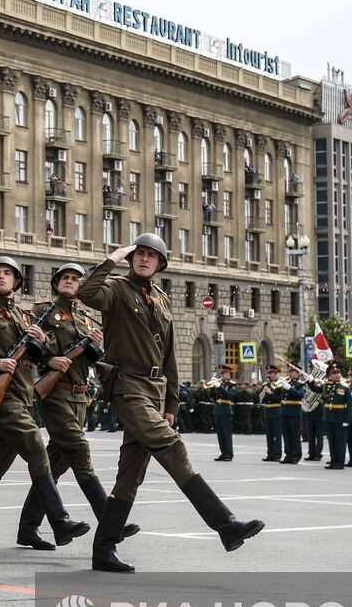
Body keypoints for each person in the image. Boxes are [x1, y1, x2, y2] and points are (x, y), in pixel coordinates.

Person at [76, 234, 264, 572]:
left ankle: (103, 551)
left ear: (160, 263)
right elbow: (85, 292)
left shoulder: (161, 299)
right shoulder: (117, 289)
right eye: (139, 254)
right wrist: (112, 258)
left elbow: (169, 357)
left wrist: (172, 402)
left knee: (129, 475)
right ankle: (225, 524)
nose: (144, 259)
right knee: (171, 445)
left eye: (151, 255)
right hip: (127, 385)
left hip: (155, 388)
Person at [0, 257, 90, 548]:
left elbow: (37, 356)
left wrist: (43, 342)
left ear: (17, 281)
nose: (2, 277)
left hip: (21, 394)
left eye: (8, 273)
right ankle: (59, 521)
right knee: (36, 447)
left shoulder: (23, 316)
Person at [320, 362, 351, 470]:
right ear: (330, 375)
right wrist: (309, 381)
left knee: (340, 442)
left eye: (338, 372)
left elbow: (349, 406)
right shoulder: (327, 387)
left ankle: (340, 462)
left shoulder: (345, 387)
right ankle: (333, 461)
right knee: (332, 442)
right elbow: (316, 390)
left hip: (340, 418)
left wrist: (347, 420)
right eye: (334, 373)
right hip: (329, 418)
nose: (336, 375)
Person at [211, 364, 236, 461]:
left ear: (229, 374)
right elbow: (213, 397)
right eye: (221, 373)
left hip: (226, 410)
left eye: (224, 373)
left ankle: (229, 454)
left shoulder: (231, 384)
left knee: (226, 433)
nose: (222, 374)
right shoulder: (220, 383)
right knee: (220, 434)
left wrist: (220, 387)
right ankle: (223, 453)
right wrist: (213, 387)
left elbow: (230, 396)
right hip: (217, 410)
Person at [259, 365, 283, 462]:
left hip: (276, 411)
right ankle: (270, 454)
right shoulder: (267, 384)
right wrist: (262, 394)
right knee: (269, 435)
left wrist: (271, 393)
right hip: (268, 411)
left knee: (277, 435)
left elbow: (280, 399)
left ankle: (277, 455)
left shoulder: (280, 384)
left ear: (276, 373)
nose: (269, 375)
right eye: (268, 373)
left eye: (271, 373)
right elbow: (262, 399)